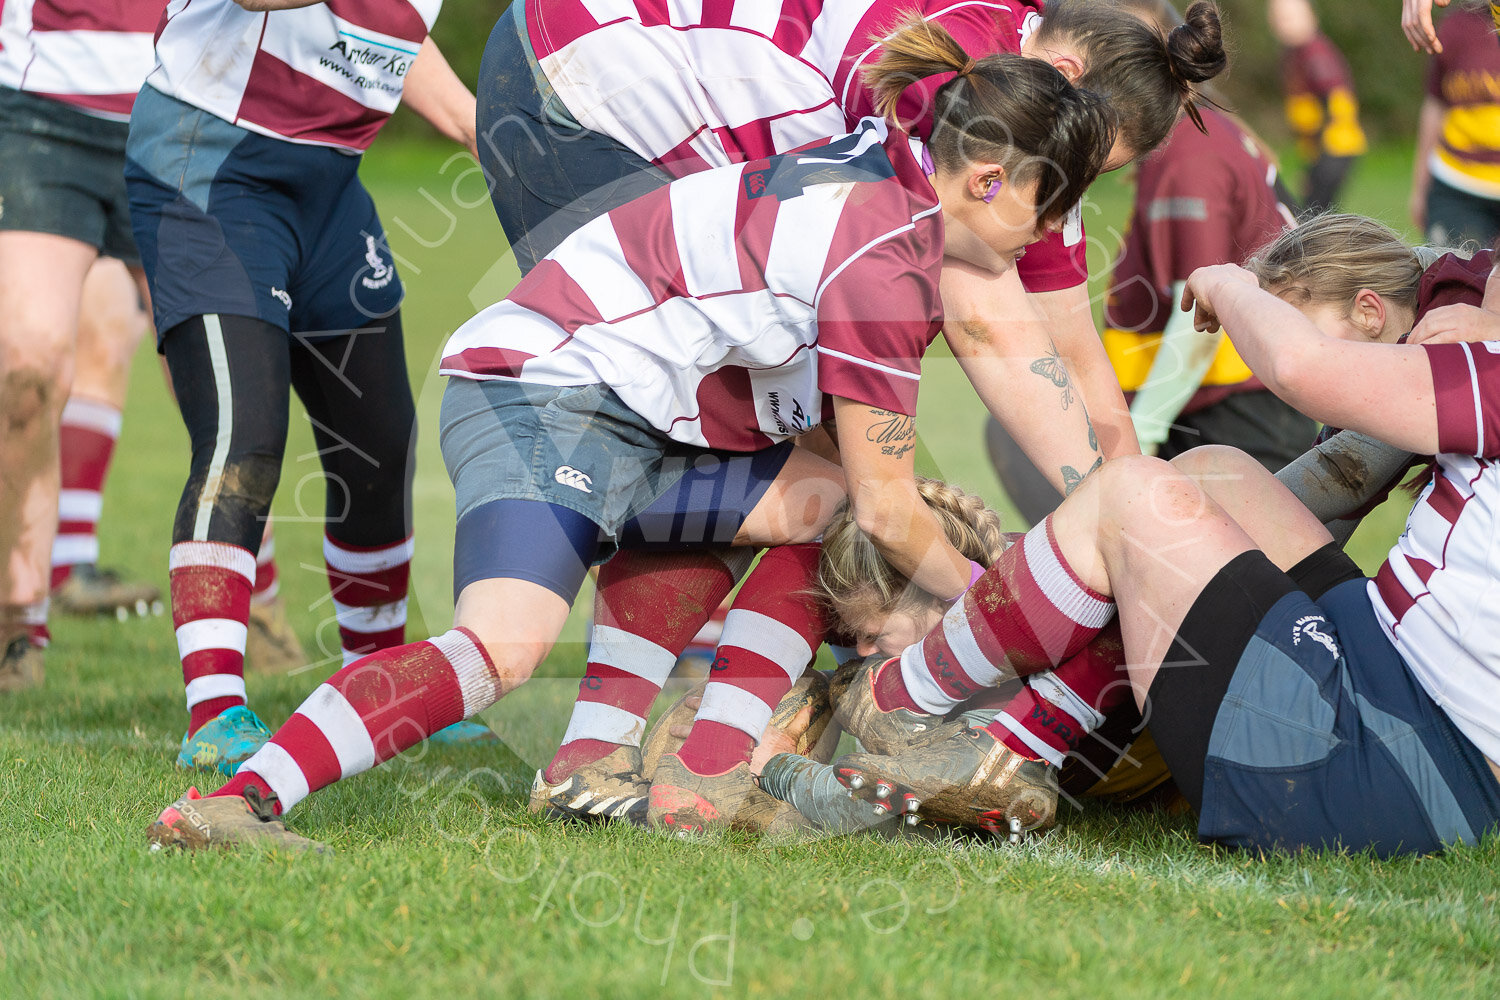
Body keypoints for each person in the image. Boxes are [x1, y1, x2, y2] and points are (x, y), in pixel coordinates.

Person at [144, 19, 1118, 850]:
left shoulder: (884, 161)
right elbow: (890, 512)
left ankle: (674, 766)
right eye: (1054, 206)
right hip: (544, 398)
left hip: (626, 410)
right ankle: (240, 800)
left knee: (815, 498)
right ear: (989, 180)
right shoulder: (886, 258)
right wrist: (994, 612)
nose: (1052, 234)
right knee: (500, 650)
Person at [513, 0, 1227, 822]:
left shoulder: (1029, 134)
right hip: (590, 87)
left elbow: (1074, 356)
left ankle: (697, 743)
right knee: (783, 467)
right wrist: (1008, 608)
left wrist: (1127, 534)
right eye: (1083, 169)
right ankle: (656, 752)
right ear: (1063, 81)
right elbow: (980, 311)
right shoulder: (958, 70)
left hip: (660, 126)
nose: (1070, 200)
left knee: (818, 475)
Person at [822, 213, 1500, 856]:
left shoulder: (1486, 365)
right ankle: (1014, 739)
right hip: (1397, 694)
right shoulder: (1472, 331)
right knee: (1212, 477)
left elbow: (1301, 369)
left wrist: (1230, 284)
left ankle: (899, 699)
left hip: (1398, 759)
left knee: (1130, 497)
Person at [123, 0, 477, 774]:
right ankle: (215, 712)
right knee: (244, 437)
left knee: (380, 443)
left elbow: (391, 31)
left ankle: (377, 691)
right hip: (210, 162)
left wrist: (484, 128)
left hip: (329, 186)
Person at [988, 5, 1305, 523]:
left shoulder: (1189, 158)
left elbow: (1198, 315)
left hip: (1232, 406)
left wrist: (1145, 429)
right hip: (1232, 395)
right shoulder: (1206, 130)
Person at [0, 0, 163, 690]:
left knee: (211, 374)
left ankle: (265, 612)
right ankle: (21, 612)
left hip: (178, 106)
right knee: (30, 365)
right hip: (41, 107)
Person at [1411, 2, 1500, 250]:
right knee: (1455, 271)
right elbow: (1435, 104)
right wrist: (1420, 187)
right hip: (1457, 184)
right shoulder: (1455, 26)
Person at [1268, 0, 1366, 212]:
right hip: (1321, 149)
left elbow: (1337, 103)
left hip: (1334, 147)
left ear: (1311, 17)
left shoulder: (1315, 52)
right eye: (1279, 19)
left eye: (1290, 18)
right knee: (1315, 211)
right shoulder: (1294, 53)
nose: (1284, 25)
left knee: (1314, 214)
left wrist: (1319, 160)